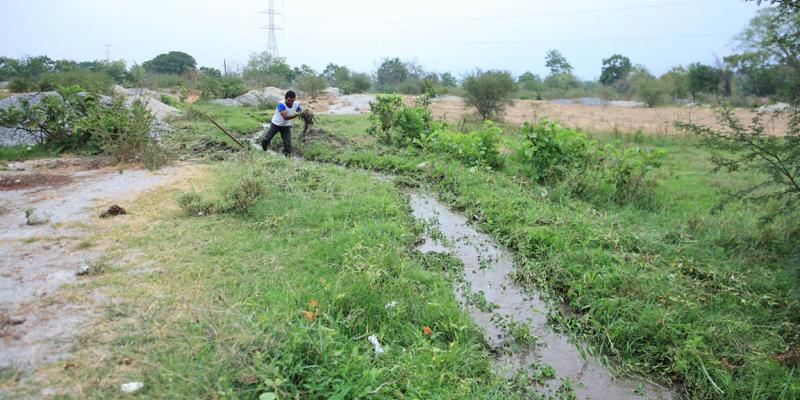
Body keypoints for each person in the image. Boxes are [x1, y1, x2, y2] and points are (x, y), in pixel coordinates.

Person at [261, 90, 302, 156]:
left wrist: (304, 113)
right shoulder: (281, 105)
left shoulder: (296, 104)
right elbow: (285, 117)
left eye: (292, 100)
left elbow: (301, 111)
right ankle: (264, 149)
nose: (291, 102)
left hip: (286, 126)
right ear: (285, 98)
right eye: (289, 100)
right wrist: (296, 115)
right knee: (267, 139)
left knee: (287, 144)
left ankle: (288, 159)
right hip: (275, 125)